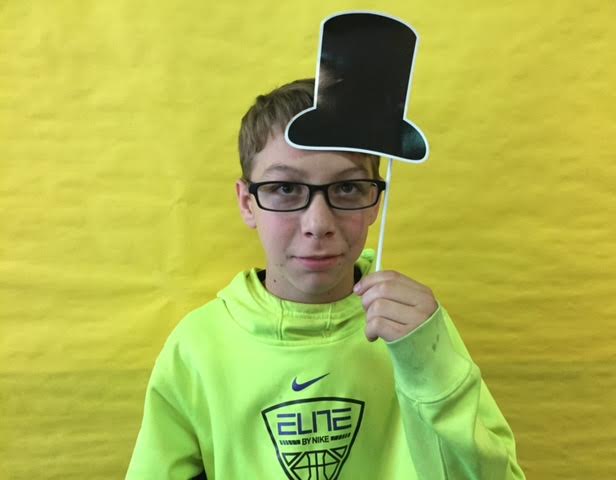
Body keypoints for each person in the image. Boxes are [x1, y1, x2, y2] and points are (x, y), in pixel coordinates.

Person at [125, 78, 526, 479]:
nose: (318, 224)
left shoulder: (416, 331)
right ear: (247, 203)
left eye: (347, 187)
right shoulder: (196, 347)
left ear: (376, 202)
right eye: (286, 188)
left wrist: (429, 370)